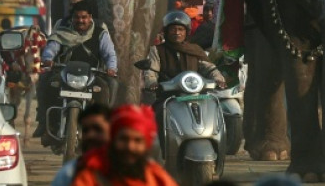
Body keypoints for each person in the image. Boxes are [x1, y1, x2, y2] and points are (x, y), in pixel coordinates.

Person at [36, 1, 118, 143]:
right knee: (46, 82)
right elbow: (51, 48)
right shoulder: (62, 32)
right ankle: (46, 124)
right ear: (72, 18)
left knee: (109, 86)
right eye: (77, 17)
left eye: (84, 17)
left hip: (92, 75)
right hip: (64, 73)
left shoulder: (100, 34)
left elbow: (109, 54)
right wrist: (48, 59)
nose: (80, 20)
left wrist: (111, 68)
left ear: (90, 17)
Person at [143, 11, 226, 142]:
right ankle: (161, 146)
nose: (177, 32)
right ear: (166, 31)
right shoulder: (157, 50)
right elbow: (151, 71)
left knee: (214, 109)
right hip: (169, 95)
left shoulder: (195, 49)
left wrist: (218, 79)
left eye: (181, 29)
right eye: (173, 29)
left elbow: (209, 68)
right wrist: (152, 82)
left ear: (186, 32)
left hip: (195, 94)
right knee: (157, 114)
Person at [70, 104, 177, 186]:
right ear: (112, 140)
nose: (130, 147)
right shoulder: (88, 176)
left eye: (137, 141)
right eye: (123, 139)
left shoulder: (157, 177)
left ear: (146, 144)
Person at [50, 103, 112, 186]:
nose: (90, 135)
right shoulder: (67, 174)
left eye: (98, 129)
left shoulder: (125, 170)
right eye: (85, 130)